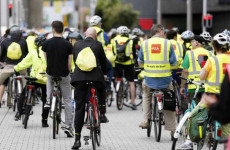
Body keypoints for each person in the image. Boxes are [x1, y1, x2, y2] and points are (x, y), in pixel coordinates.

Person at [71, 27, 108, 150]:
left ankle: (77, 139)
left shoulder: (76, 45)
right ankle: (102, 113)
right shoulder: (98, 45)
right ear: (95, 36)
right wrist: (105, 72)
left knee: (79, 107)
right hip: (95, 77)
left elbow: (76, 60)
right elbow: (103, 62)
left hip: (79, 78)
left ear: (84, 34)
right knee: (102, 88)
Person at [138, 24, 177, 140]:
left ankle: (146, 120)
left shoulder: (144, 44)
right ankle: (172, 130)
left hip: (149, 79)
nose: (164, 33)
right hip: (165, 80)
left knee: (146, 96)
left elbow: (140, 61)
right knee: (170, 99)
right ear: (160, 31)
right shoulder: (168, 43)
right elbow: (174, 62)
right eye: (163, 31)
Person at [178, 35, 213, 149]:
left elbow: (185, 71)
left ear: (197, 43)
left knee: (192, 111)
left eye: (192, 41)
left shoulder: (190, 53)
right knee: (206, 110)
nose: (191, 43)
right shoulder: (210, 54)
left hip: (194, 87)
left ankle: (190, 137)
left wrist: (182, 86)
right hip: (207, 87)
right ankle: (208, 129)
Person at [42, 21, 74, 137]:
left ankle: (49, 100)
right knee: (67, 99)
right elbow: (69, 64)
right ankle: (69, 125)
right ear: (62, 29)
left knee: (49, 80)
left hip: (51, 72)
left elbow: (46, 59)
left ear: (53, 30)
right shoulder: (68, 44)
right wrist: (69, 71)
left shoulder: (46, 43)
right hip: (64, 75)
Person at [14, 36, 50, 127]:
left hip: (34, 78)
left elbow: (25, 63)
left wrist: (16, 68)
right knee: (46, 100)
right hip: (45, 79)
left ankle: (19, 112)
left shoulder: (33, 52)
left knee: (22, 94)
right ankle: (44, 120)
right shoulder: (49, 53)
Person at [0, 25, 28, 108]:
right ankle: (25, 100)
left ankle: (0, 100)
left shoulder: (4, 42)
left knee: (3, 83)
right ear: (19, 33)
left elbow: (1, 55)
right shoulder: (23, 41)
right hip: (21, 67)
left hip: (8, 67)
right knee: (24, 80)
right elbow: (26, 54)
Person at [111, 26, 137, 110]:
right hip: (128, 63)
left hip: (118, 63)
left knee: (117, 78)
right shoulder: (131, 40)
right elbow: (134, 53)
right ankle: (132, 101)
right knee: (131, 82)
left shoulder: (114, 40)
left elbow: (113, 51)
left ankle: (118, 91)